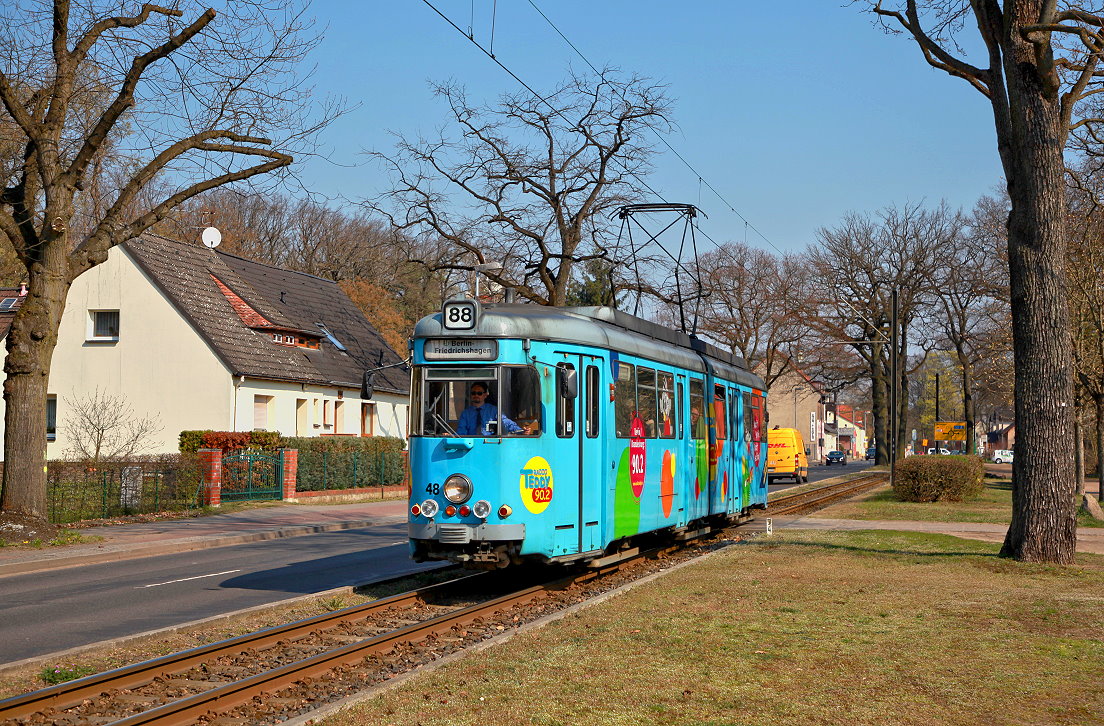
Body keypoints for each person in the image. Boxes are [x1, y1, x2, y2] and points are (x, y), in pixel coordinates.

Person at [457, 383, 525, 435]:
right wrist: (451, 435)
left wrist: (520, 431)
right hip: (472, 445)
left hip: (490, 443)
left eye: (479, 393)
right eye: (473, 393)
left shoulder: (494, 410)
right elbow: (461, 431)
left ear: (486, 394)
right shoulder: (466, 413)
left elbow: (505, 422)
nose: (476, 395)